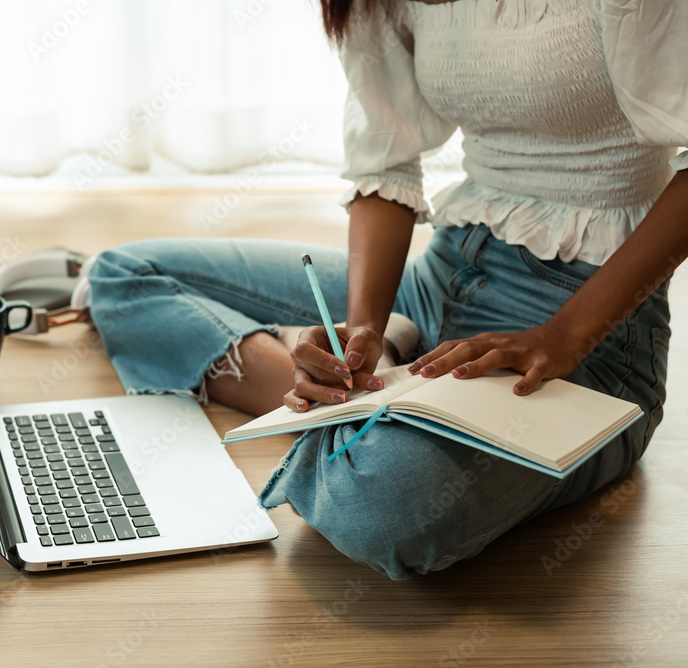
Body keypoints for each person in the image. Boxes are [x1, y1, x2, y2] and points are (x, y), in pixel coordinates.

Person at [83, 0, 688, 579]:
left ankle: (358, 405)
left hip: (582, 320)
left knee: (381, 507)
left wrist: (563, 336)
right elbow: (387, 164)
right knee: (122, 274)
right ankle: (378, 378)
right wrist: (365, 326)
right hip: (442, 272)